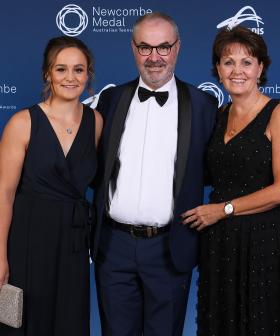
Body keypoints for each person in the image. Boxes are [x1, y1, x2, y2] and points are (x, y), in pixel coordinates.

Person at [92, 12, 217, 335]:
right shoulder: (111, 99)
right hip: (113, 248)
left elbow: (217, 169)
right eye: (145, 47)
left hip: (169, 247)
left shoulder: (202, 105)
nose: (154, 57)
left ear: (177, 48)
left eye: (163, 47)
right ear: (133, 49)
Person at [0, 36, 102, 335]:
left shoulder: (96, 122)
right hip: (28, 240)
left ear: (88, 74)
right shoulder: (23, 122)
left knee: (69, 321)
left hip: (73, 243)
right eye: (61, 69)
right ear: (48, 74)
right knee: (29, 321)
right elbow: (4, 195)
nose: (70, 77)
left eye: (78, 69)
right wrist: (0, 255)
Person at [182, 25, 280, 335]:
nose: (237, 71)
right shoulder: (218, 114)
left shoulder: (276, 114)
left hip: (263, 243)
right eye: (228, 62)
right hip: (218, 244)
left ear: (260, 68)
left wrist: (223, 209)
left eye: (247, 62)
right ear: (218, 69)